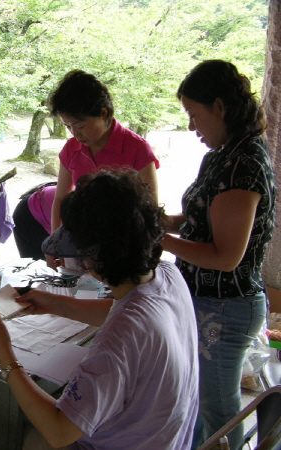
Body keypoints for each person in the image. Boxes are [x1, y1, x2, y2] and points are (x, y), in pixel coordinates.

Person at [0, 170, 199, 450]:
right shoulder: (167, 274)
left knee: (15, 430)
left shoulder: (119, 338)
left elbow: (59, 431)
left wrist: (5, 358)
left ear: (97, 257)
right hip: (167, 439)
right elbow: (131, 315)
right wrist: (57, 304)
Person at [162, 60, 276, 450]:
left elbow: (226, 256)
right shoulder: (222, 155)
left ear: (220, 107)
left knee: (219, 406)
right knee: (196, 396)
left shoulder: (244, 164)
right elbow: (201, 222)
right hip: (205, 299)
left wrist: (157, 240)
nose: (192, 126)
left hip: (227, 306)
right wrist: (163, 222)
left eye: (195, 115)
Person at [12, 70, 159, 264]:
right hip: (84, 238)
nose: (75, 134)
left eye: (80, 126)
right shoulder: (72, 148)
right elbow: (61, 198)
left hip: (122, 240)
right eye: (68, 126)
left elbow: (150, 206)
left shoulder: (137, 148)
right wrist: (57, 243)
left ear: (103, 113)